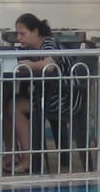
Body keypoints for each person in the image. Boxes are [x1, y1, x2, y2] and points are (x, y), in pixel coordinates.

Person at [7, 13, 60, 172]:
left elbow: (50, 65)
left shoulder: (48, 43)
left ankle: (28, 159)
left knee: (14, 107)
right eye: (17, 34)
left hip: (61, 97)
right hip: (45, 95)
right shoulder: (31, 49)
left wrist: (29, 64)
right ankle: (11, 155)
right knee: (6, 103)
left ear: (36, 31)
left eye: (22, 34)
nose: (19, 38)